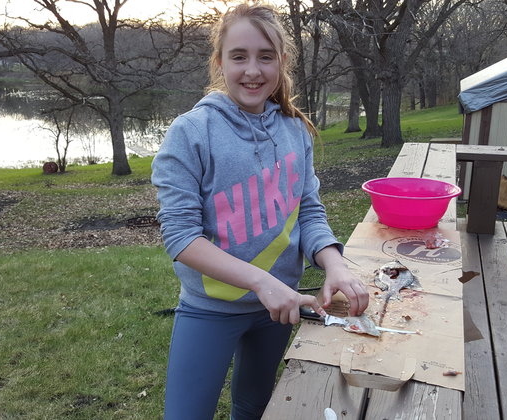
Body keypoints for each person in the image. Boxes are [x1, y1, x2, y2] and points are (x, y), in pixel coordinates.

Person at [151, 3, 369, 419]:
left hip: (278, 309)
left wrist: (335, 265)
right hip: (210, 309)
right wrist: (261, 282)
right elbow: (181, 238)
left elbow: (308, 211)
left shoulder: (294, 130)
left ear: (282, 62)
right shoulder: (191, 133)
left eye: (265, 57)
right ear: (220, 62)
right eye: (239, 56)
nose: (253, 70)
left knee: (253, 407)